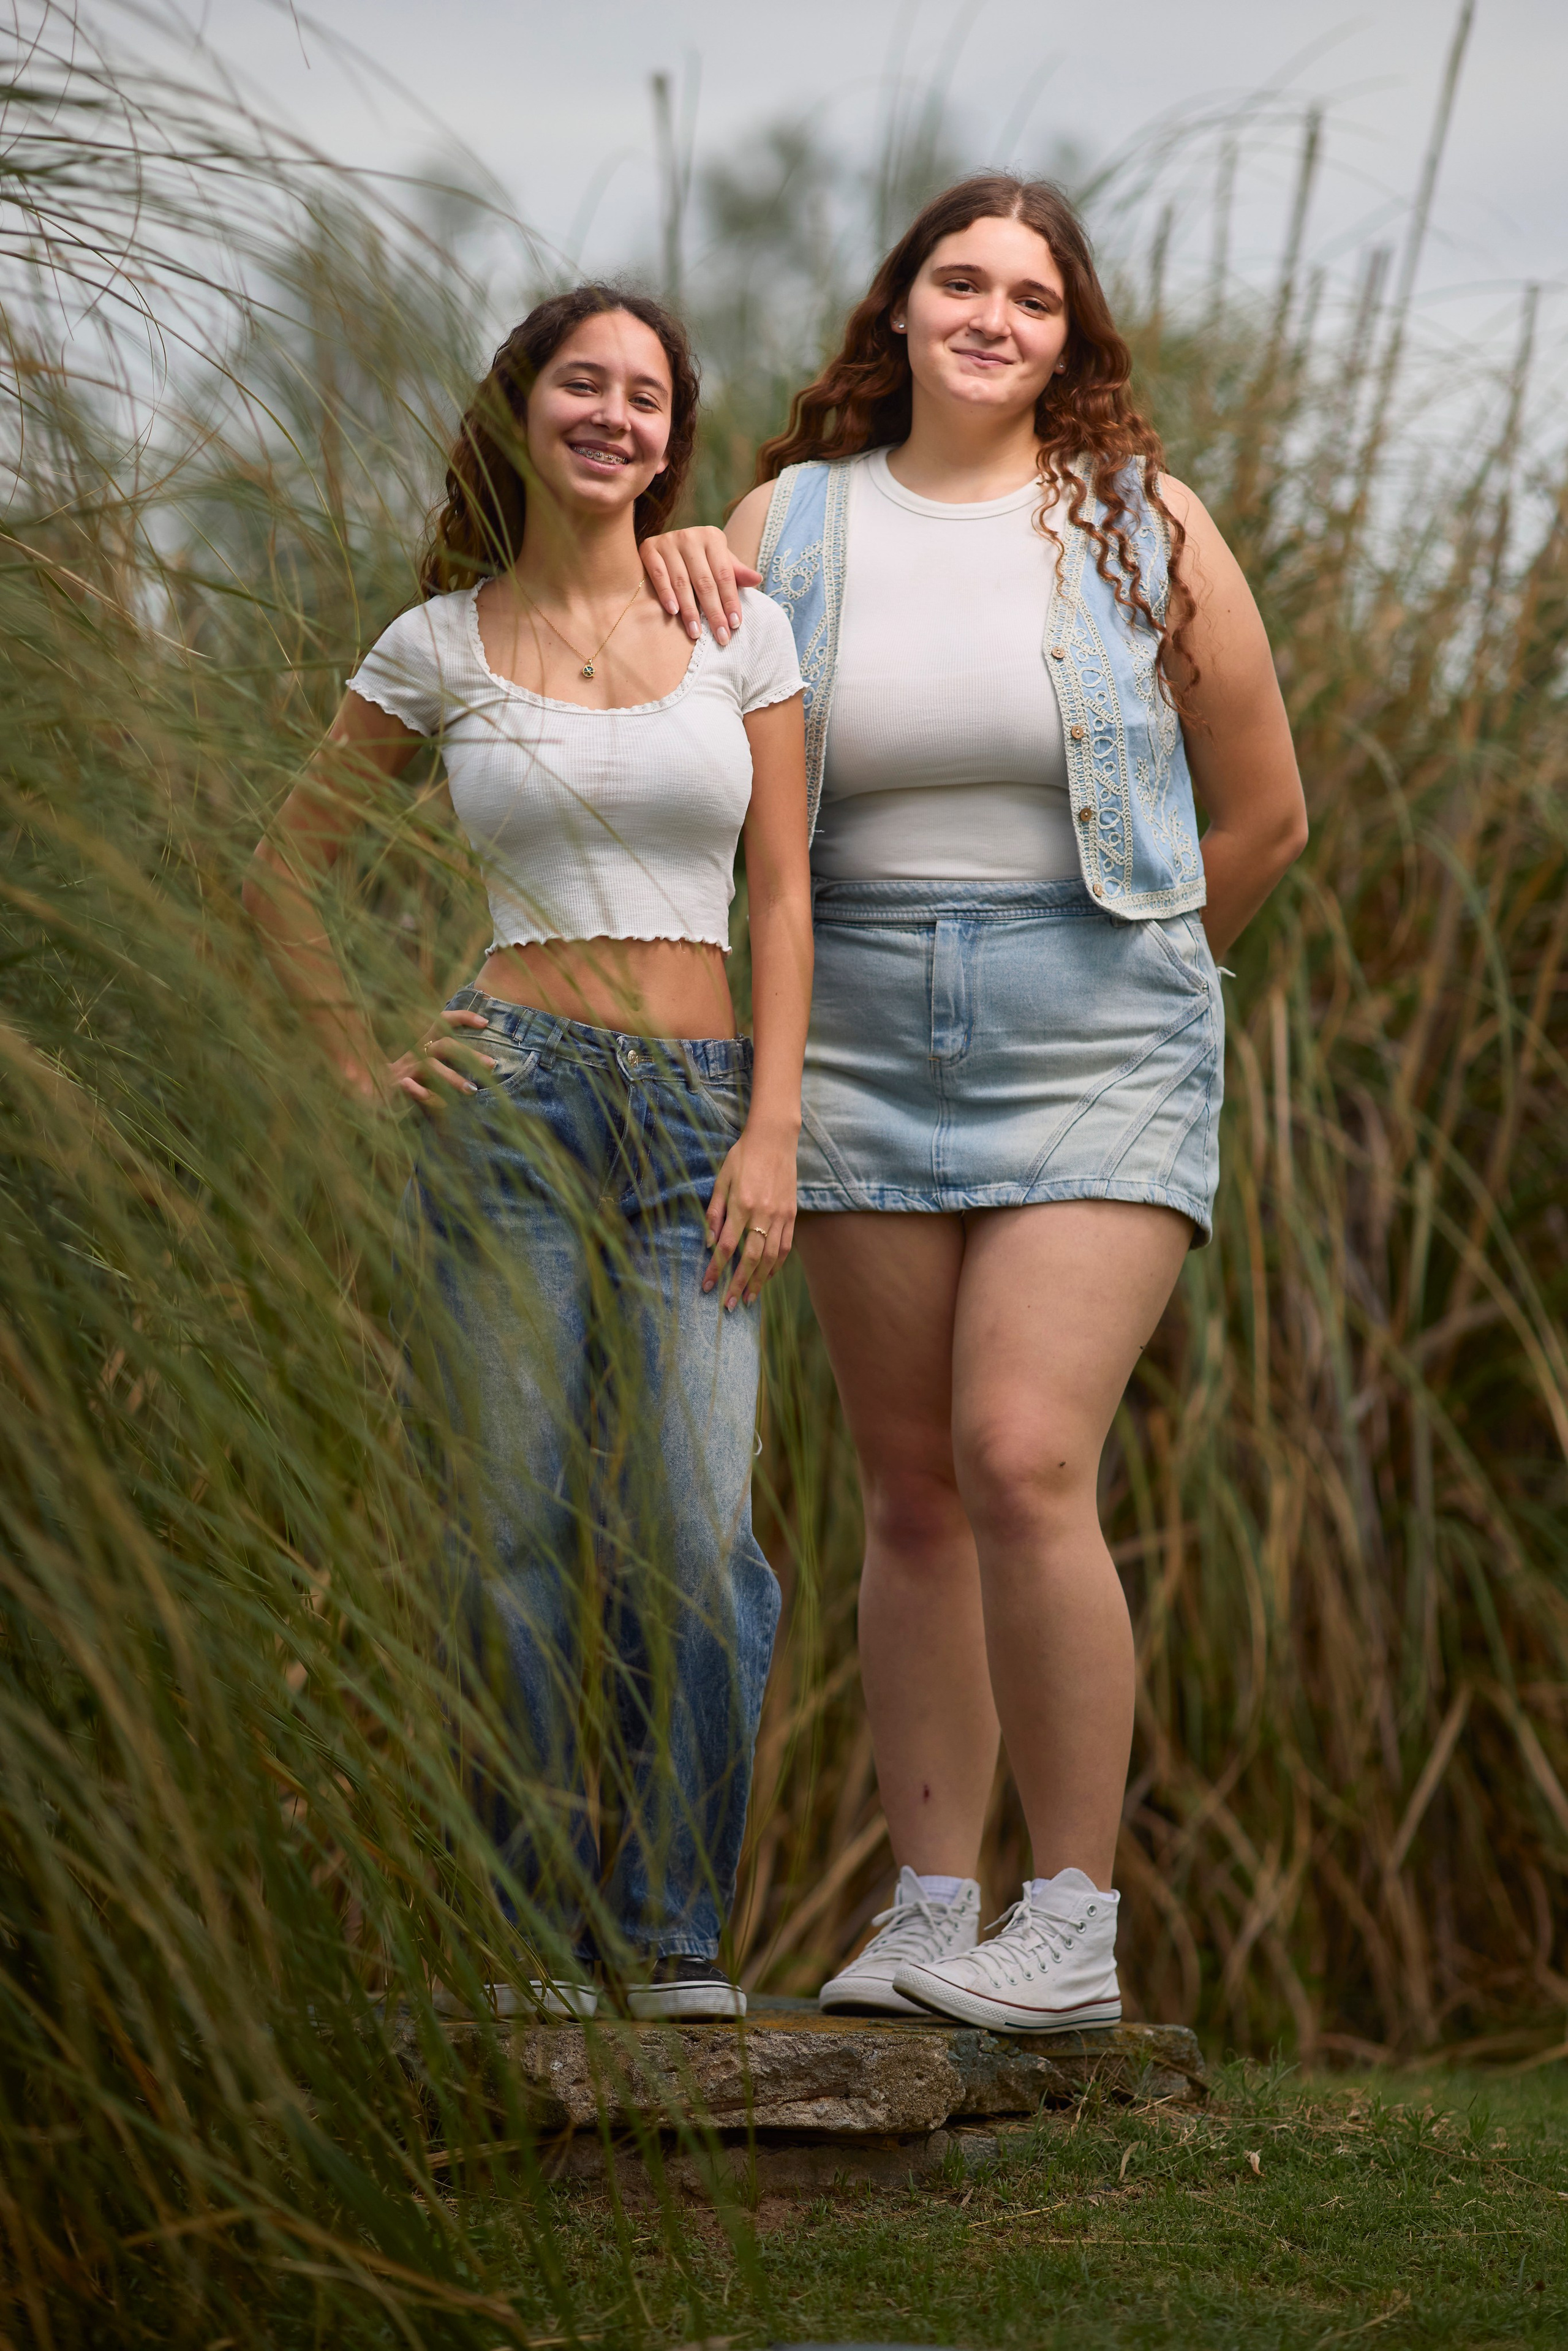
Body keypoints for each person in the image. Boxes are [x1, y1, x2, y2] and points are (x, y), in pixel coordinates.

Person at [636, 177, 1307, 2033]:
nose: (994, 311)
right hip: (841, 1018)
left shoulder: (1139, 521)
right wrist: (676, 553)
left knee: (1022, 1456)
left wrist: (1146, 980)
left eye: (1033, 292)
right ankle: (937, 1908)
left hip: (1089, 1017)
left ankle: (1069, 1924)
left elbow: (1263, 814)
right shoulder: (792, 520)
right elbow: (682, 729)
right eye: (962, 277)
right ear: (906, 306)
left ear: (1069, 335)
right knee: (911, 1490)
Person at [246, 286, 812, 2021]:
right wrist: (358, 1058)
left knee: (698, 1537)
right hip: (506, 1104)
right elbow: (281, 874)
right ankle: (519, 1940)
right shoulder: (432, 643)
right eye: (585, 382)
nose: (616, 415)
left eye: (647, 396)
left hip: (701, 1117)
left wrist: (776, 1125)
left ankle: (670, 1936)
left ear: (673, 435)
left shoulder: (739, 626)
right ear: (521, 410)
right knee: (507, 1531)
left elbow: (786, 892)